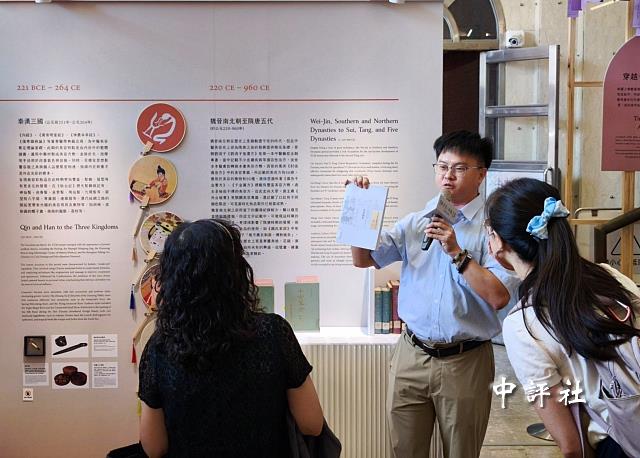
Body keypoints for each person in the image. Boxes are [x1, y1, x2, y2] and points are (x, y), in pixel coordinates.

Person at [350, 130, 519, 458]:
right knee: (404, 450)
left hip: (465, 361)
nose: (448, 175)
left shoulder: (493, 229)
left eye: (459, 168)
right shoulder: (417, 223)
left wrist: (456, 251)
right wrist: (360, 210)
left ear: (481, 174)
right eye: (442, 167)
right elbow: (363, 259)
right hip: (411, 355)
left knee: (461, 451)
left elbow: (498, 296)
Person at [138, 218, 324, 458]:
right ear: (235, 272)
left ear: (171, 279)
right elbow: (312, 424)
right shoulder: (273, 333)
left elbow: (154, 448)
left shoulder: (160, 347)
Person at [485, 178, 640, 457]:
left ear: (498, 242)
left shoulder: (523, 325)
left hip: (617, 445)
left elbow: (571, 445)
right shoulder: (609, 276)